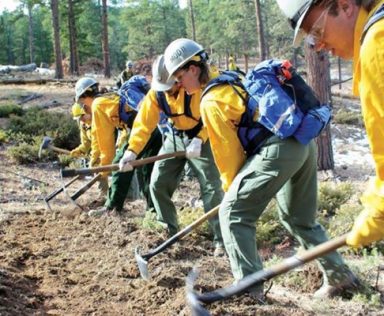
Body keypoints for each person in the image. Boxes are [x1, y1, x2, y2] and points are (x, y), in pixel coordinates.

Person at [163, 38, 359, 301]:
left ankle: (248, 292)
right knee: (299, 219)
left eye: (178, 76)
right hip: (301, 144)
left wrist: (232, 193)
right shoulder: (230, 78)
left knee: (233, 214)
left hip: (278, 150)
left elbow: (228, 155)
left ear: (193, 69)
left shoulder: (210, 101)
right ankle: (340, 276)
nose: (178, 84)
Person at [276, 0, 384, 249]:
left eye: (317, 31)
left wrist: (379, 211)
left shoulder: (377, 43)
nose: (318, 46)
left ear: (345, 6)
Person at [119, 55, 224, 256]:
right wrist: (132, 151)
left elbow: (215, 117)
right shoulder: (157, 94)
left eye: (171, 86)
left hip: (204, 136)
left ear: (179, 78)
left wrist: (200, 139)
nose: (167, 91)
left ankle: (220, 239)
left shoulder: (197, 86)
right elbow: (143, 124)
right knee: (157, 183)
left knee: (211, 187)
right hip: (175, 136)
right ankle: (168, 229)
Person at [74, 76, 162, 216]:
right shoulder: (110, 96)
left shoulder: (98, 105)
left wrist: (104, 169)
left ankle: (112, 209)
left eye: (82, 101)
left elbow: (105, 142)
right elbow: (104, 137)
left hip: (142, 129)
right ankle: (153, 210)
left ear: (85, 96)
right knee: (146, 170)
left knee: (119, 164)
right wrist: (96, 160)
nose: (84, 106)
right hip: (156, 128)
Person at [70, 101, 108, 205]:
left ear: (87, 111)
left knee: (119, 170)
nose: (81, 119)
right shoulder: (83, 125)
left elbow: (104, 139)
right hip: (98, 150)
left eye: (82, 116)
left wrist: (96, 156)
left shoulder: (99, 119)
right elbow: (86, 143)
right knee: (98, 169)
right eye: (79, 118)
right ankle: (104, 195)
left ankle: (128, 196)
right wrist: (79, 150)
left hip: (110, 146)